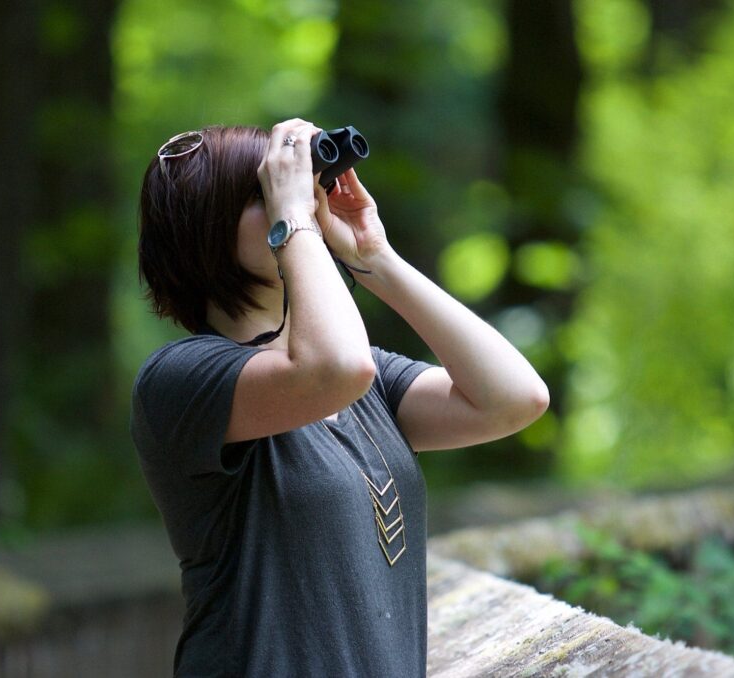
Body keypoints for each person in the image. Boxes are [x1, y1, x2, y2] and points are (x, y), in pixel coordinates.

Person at [130, 118, 549, 678]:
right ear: (206, 228)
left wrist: (375, 258)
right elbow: (333, 368)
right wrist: (298, 220)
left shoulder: (362, 377)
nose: (300, 198)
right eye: (267, 194)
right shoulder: (180, 378)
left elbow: (514, 399)